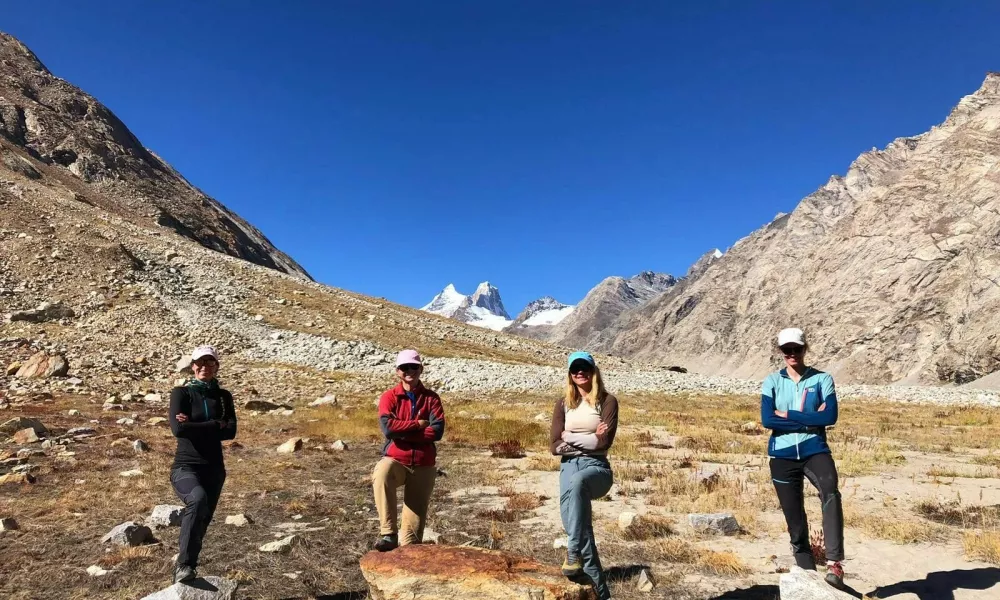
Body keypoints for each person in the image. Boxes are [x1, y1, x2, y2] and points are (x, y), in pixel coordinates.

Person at [760, 328, 845, 588]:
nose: (792, 354)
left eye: (797, 348)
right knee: (794, 515)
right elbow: (767, 419)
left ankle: (834, 563)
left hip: (814, 449)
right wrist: (810, 419)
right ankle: (806, 569)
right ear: (780, 352)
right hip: (781, 454)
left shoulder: (822, 380)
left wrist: (787, 416)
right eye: (787, 350)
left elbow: (829, 417)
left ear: (805, 349)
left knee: (830, 491)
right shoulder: (771, 382)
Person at [551, 351, 619, 600]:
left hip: (596, 467)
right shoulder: (562, 403)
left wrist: (569, 437)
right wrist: (589, 439)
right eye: (575, 369)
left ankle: (571, 552)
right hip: (568, 466)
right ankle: (600, 592)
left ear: (593, 371)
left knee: (575, 531)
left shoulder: (607, 401)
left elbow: (605, 442)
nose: (580, 373)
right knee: (579, 529)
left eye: (585, 368)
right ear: (570, 374)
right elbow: (553, 446)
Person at [168, 345, 237, 584]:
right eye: (200, 362)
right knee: (196, 500)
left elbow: (231, 431)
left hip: (215, 470)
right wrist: (215, 424)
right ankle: (183, 566)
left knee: (202, 519)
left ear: (217, 366)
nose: (204, 367)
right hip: (185, 467)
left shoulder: (223, 396)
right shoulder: (182, 394)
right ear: (192, 365)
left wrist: (196, 425)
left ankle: (188, 565)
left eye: (210, 362)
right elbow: (179, 430)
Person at [372, 349, 446, 551]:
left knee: (411, 542)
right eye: (405, 367)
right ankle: (388, 533)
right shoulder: (389, 397)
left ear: (420, 369)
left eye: (414, 366)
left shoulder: (431, 398)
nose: (409, 371)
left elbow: (437, 431)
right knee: (382, 471)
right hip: (397, 460)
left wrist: (402, 431)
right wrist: (418, 424)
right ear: (397, 371)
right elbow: (388, 428)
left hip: (424, 464)